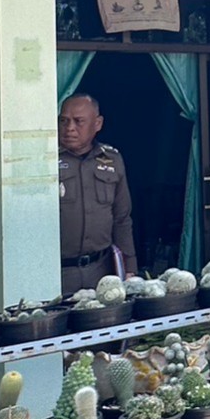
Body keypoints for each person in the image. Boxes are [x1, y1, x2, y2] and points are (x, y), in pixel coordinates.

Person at [57, 93, 134, 294]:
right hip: (58, 272)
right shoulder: (46, 159)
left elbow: (122, 218)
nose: (69, 128)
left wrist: (129, 268)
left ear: (97, 124)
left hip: (100, 270)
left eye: (78, 121)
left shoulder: (112, 159)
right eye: (64, 121)